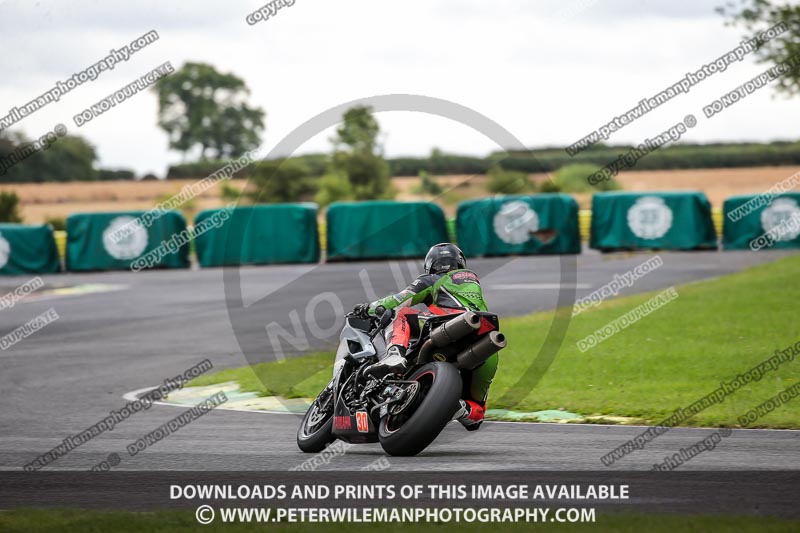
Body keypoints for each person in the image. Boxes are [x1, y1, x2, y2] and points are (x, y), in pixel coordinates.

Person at [351, 243, 497, 431]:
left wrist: (368, 308)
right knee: (477, 414)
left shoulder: (432, 279)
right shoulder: (472, 281)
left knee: (400, 314)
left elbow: (397, 300)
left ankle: (395, 353)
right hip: (487, 338)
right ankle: (460, 410)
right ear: (460, 263)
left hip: (446, 322)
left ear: (430, 265)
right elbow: (475, 425)